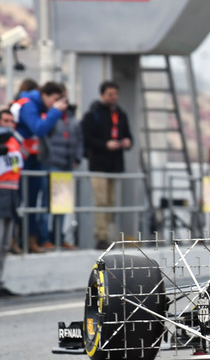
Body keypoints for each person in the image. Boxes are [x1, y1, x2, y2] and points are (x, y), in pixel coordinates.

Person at [10, 81, 68, 253]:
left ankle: (34, 240)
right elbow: (39, 129)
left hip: (40, 159)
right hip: (22, 159)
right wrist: (55, 111)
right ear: (44, 95)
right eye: (55, 99)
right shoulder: (28, 106)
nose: (57, 103)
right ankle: (16, 240)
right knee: (18, 201)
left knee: (34, 201)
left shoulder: (45, 110)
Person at [81, 81, 133, 250]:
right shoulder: (93, 114)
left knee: (112, 202)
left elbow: (128, 136)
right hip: (99, 165)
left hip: (115, 165)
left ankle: (111, 236)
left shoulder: (121, 114)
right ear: (102, 95)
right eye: (110, 94)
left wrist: (126, 142)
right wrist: (105, 145)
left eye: (115, 94)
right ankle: (101, 237)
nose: (114, 97)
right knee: (101, 202)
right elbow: (86, 138)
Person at [39, 88, 83, 249]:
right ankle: (44, 238)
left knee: (62, 204)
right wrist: (48, 156)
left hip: (66, 166)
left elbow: (79, 140)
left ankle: (59, 237)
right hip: (52, 164)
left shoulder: (73, 121)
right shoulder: (51, 118)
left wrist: (77, 159)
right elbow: (43, 138)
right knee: (47, 203)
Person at [0, 110, 24, 296]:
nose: (8, 123)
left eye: (11, 121)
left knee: (6, 243)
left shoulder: (15, 141)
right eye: (4, 120)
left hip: (12, 193)